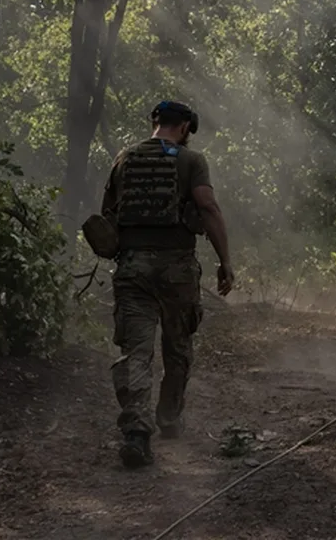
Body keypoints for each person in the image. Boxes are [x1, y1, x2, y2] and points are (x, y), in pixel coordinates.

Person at [99, 100, 234, 468]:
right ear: (186, 126)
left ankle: (137, 433)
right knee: (177, 348)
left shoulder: (123, 158)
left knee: (136, 352)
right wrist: (225, 262)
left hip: (132, 269)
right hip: (176, 269)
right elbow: (207, 206)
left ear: (154, 122)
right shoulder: (191, 161)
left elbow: (107, 215)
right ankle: (169, 417)